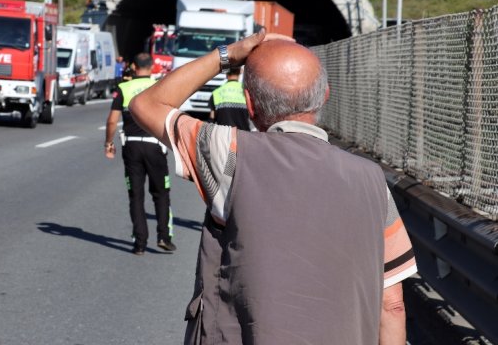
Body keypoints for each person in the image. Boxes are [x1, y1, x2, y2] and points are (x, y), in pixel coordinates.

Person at [129, 31, 417, 344]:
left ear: (249, 104)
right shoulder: (372, 181)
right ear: (324, 95)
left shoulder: (230, 153)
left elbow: (147, 103)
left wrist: (227, 56)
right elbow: (392, 305)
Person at [104, 52, 176, 255]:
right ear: (152, 67)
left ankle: (140, 243)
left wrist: (108, 143)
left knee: (136, 195)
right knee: (161, 193)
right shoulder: (159, 86)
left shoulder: (124, 88)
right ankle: (164, 236)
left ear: (134, 67)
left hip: (132, 147)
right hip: (155, 146)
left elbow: (111, 121)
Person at [208, 65, 251, 131]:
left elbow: (211, 119)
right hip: (243, 137)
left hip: (222, 137)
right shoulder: (247, 92)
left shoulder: (216, 93)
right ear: (241, 71)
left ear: (226, 73)